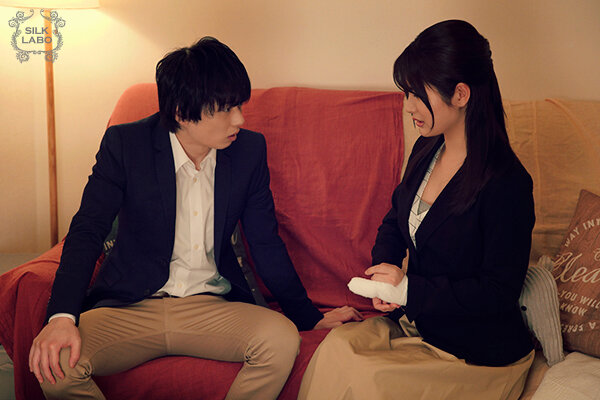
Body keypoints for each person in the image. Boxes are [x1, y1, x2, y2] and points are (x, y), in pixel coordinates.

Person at [28, 37, 362, 400]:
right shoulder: (126, 145)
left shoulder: (248, 151)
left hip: (211, 306)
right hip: (129, 306)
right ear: (181, 112)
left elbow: (265, 241)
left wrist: (309, 317)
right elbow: (87, 231)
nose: (240, 119)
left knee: (281, 340)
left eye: (239, 106)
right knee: (55, 364)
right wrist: (62, 317)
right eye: (226, 109)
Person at [298, 20, 535, 400]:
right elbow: (395, 219)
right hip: (422, 324)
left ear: (460, 94)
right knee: (336, 349)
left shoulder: (507, 183)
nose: (407, 106)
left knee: (369, 380)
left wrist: (409, 289)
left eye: (416, 94)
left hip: (475, 352)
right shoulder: (428, 147)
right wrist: (384, 273)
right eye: (405, 93)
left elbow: (497, 292)